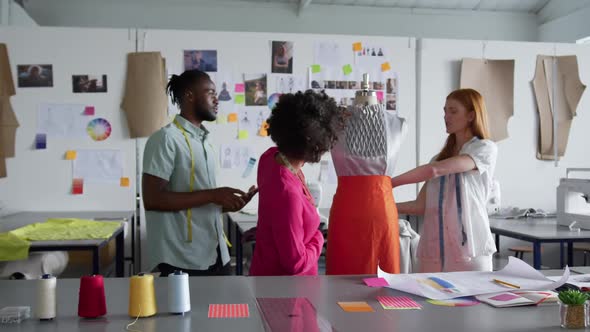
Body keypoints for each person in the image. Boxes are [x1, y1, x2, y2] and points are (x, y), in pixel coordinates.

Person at [142, 69, 258, 277]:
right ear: (189, 95)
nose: (217, 100)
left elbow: (195, 200)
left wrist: (226, 203)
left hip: (215, 252)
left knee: (222, 310)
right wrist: (214, 195)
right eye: (211, 92)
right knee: (189, 311)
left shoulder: (205, 141)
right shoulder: (166, 139)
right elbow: (152, 199)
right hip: (181, 257)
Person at [392, 88, 497, 272]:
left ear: (471, 115)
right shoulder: (438, 158)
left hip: (469, 253)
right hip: (434, 253)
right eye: (445, 111)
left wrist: (388, 183)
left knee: (472, 301)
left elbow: (435, 171)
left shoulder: (484, 148)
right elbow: (421, 205)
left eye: (453, 111)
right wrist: (384, 206)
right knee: (428, 300)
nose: (446, 116)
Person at [249, 90, 345, 276]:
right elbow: (296, 264)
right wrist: (318, 237)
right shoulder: (288, 194)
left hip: (263, 275)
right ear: (318, 143)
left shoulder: (269, 158)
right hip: (285, 293)